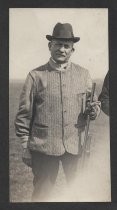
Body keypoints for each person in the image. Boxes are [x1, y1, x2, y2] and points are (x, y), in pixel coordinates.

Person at [15, 23, 100, 201]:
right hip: (44, 147)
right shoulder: (35, 76)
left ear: (72, 49)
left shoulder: (84, 74)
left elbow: (92, 107)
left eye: (66, 46)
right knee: (41, 196)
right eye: (58, 45)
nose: (62, 49)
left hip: (76, 146)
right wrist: (25, 147)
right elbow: (24, 115)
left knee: (81, 194)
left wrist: (94, 110)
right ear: (50, 46)